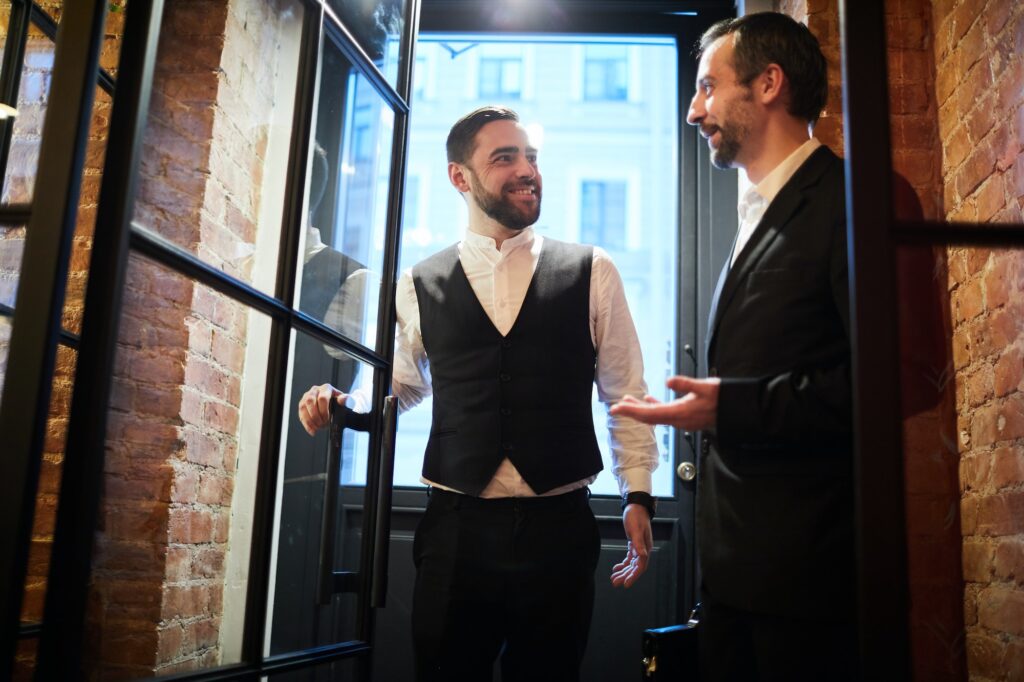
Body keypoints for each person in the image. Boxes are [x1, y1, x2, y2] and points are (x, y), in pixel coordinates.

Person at [298, 105, 658, 682]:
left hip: (559, 531)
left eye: (531, 158)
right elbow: (399, 388)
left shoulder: (593, 269)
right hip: (455, 533)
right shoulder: (419, 282)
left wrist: (636, 493)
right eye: (505, 158)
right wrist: (343, 405)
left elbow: (626, 394)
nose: (527, 171)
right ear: (459, 177)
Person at [611, 12, 857, 680]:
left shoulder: (849, 205)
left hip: (805, 590)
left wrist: (732, 408)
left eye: (707, 87)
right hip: (733, 579)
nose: (694, 111)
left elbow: (885, 388)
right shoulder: (757, 212)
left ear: (769, 83)